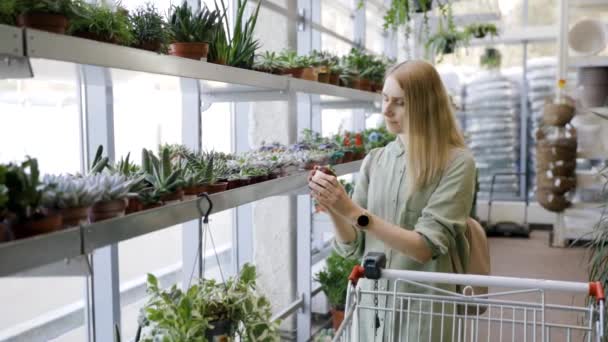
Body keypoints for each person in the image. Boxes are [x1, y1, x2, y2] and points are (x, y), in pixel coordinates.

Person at [308, 60, 476, 341]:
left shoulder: (457, 163)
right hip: (370, 305)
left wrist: (354, 211)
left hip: (423, 310)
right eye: (385, 98)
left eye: (399, 102)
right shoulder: (376, 160)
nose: (386, 109)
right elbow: (352, 247)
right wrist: (334, 205)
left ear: (425, 105)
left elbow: (425, 247)